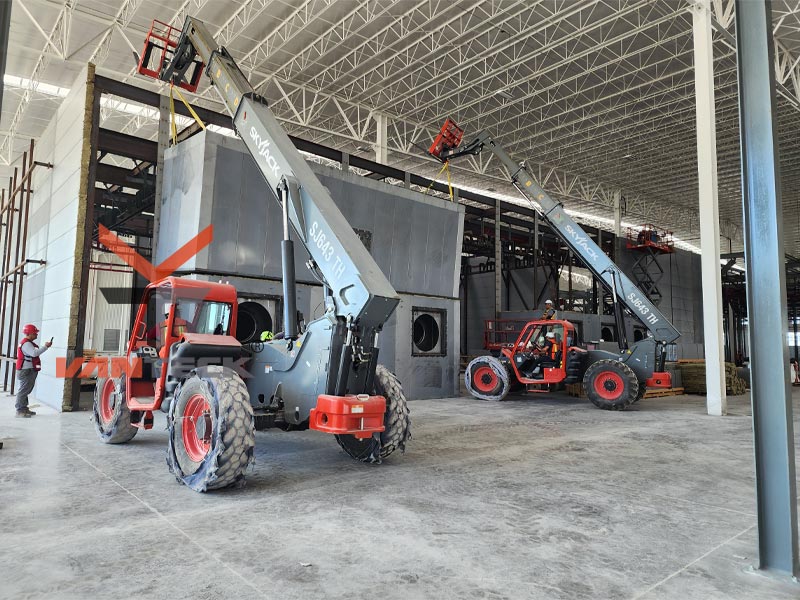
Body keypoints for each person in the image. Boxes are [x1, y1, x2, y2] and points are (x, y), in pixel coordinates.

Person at [15, 324, 52, 417]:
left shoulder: (27, 343)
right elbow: (34, 353)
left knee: (26, 390)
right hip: (26, 370)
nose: (36, 335)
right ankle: (20, 410)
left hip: (27, 369)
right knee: (23, 390)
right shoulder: (26, 344)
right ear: (30, 334)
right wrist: (45, 347)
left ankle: (24, 408)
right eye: (35, 333)